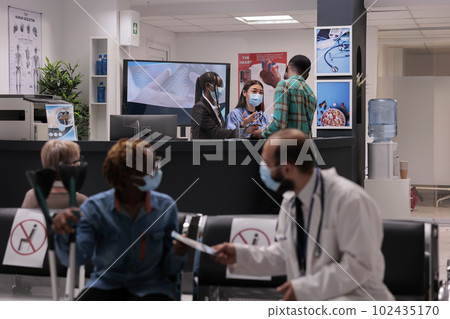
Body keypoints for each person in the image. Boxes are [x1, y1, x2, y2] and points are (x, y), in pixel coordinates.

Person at [214, 129, 394, 301]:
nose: (263, 171)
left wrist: (305, 289)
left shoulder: (350, 200)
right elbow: (285, 254)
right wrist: (240, 255)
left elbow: (359, 266)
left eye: (267, 165)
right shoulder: (290, 201)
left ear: (287, 169)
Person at [53, 138, 187, 301]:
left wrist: (178, 253)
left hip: (151, 287)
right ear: (128, 173)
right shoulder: (95, 208)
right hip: (106, 284)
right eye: (150, 163)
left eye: (155, 161)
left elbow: (171, 269)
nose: (156, 168)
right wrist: (64, 233)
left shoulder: (165, 207)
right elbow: (75, 259)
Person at [249, 55, 317, 139]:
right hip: (306, 147)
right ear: (307, 75)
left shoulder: (284, 85)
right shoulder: (311, 94)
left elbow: (279, 124)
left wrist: (260, 133)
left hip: (287, 147)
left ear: (287, 68)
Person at [21, 139, 88, 209]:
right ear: (71, 165)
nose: (79, 163)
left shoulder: (31, 195)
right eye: (78, 160)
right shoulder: (82, 201)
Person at [190, 72, 237, 139]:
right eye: (219, 85)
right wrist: (240, 132)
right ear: (208, 85)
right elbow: (215, 132)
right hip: (204, 148)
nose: (221, 88)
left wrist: (242, 125)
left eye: (222, 85)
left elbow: (222, 129)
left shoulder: (216, 106)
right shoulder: (199, 108)